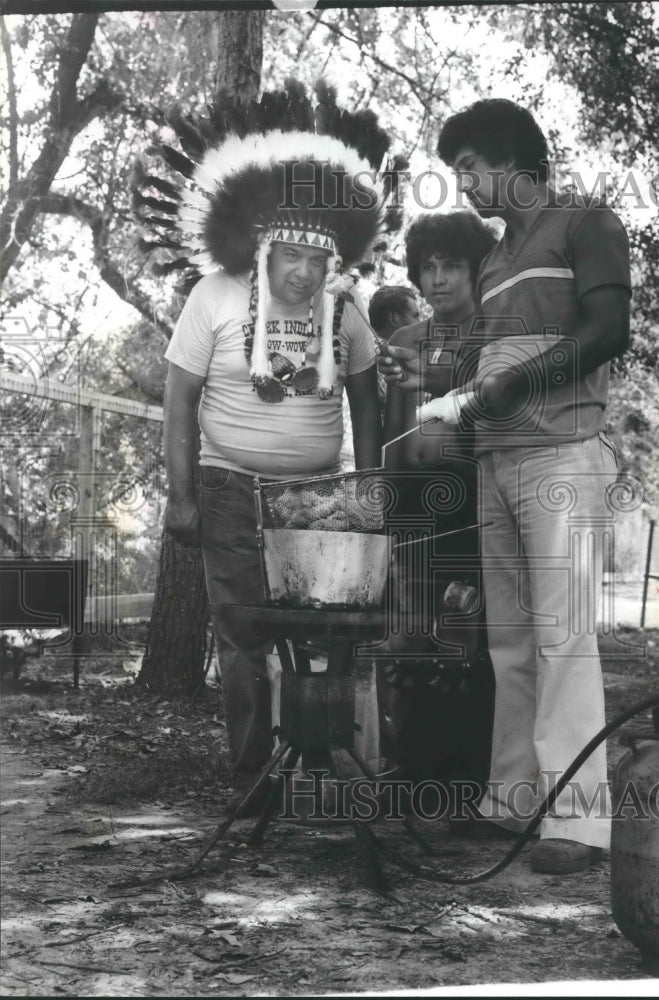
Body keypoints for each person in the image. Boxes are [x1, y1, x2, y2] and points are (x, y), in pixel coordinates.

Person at [378, 100, 631, 872]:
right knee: (510, 642)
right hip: (497, 463)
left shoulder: (587, 222)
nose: (465, 188)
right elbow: (487, 367)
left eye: (470, 171)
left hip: (568, 459)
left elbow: (609, 333)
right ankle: (515, 804)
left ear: (510, 159)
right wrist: (435, 378)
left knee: (566, 637)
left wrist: (512, 385)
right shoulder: (492, 259)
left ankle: (582, 825)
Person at [136, 81, 401, 813]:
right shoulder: (213, 297)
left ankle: (325, 762)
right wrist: (182, 493)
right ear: (262, 250)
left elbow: (367, 396)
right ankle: (255, 778)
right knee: (244, 636)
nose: (305, 272)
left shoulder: (343, 308)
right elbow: (180, 397)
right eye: (292, 255)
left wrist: (370, 487)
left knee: (329, 635)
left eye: (319, 259)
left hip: (320, 500)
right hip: (227, 491)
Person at [378, 212, 497, 812]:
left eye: (452, 266)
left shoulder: (493, 339)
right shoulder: (404, 343)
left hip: (473, 500)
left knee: (466, 636)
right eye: (429, 266)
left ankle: (467, 774)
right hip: (410, 503)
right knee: (409, 635)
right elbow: (394, 435)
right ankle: (411, 766)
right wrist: (385, 514)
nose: (439, 279)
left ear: (477, 271)